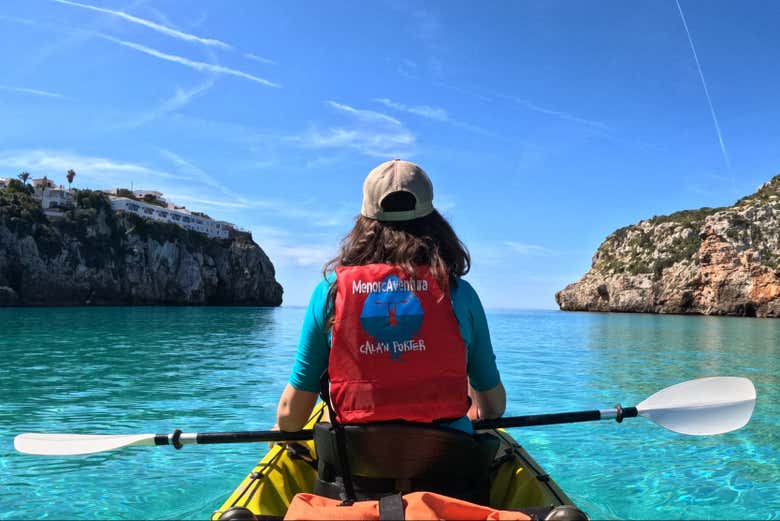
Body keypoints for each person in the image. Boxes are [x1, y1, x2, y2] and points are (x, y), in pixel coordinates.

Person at [276, 159, 505, 433]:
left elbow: (291, 416)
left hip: (355, 469)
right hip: (447, 467)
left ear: (364, 222)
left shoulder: (329, 292)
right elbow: (493, 406)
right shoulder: (461, 295)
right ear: (433, 221)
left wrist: (282, 429)